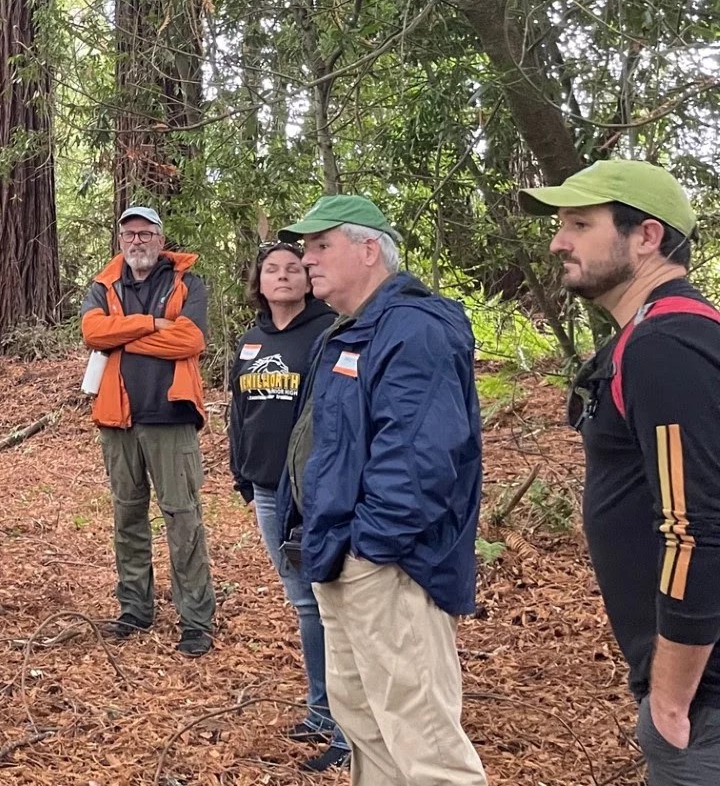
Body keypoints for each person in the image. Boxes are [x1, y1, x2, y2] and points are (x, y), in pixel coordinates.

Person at [276, 195, 486, 786]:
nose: (306, 258)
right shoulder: (349, 331)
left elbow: (420, 459)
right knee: (366, 727)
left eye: (321, 246)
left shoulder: (414, 329)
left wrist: (370, 548)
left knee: (425, 745)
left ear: (369, 249)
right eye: (305, 246)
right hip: (341, 556)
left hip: (388, 566)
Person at [524, 160, 720, 783]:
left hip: (704, 701)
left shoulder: (668, 344)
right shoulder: (649, 334)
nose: (559, 242)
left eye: (580, 224)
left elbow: (697, 527)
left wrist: (669, 697)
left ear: (647, 236)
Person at [229, 240, 350, 773]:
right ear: (258, 282)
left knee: (333, 602)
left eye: (294, 269)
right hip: (267, 489)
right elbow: (239, 410)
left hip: (312, 490)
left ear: (308, 279)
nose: (282, 277)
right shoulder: (251, 341)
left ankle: (351, 727)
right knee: (304, 602)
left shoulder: (326, 334)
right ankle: (322, 709)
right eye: (272, 270)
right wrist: (241, 471)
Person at [79, 205, 217, 655]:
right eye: (129, 234)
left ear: (160, 238)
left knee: (182, 517)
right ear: (120, 240)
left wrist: (123, 334)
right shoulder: (104, 285)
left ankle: (196, 619)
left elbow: (191, 339)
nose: (137, 241)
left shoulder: (186, 282)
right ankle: (134, 609)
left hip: (171, 417)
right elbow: (93, 333)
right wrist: (152, 324)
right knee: (128, 517)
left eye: (145, 233)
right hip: (118, 418)